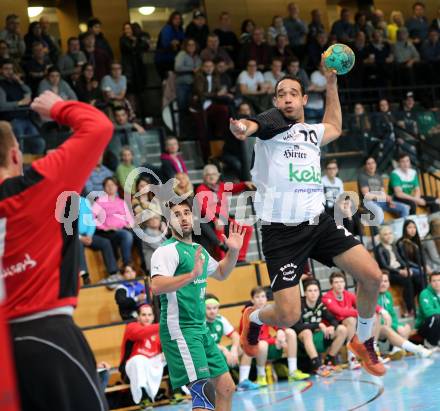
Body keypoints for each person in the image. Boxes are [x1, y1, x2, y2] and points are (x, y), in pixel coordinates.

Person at [229, 66, 386, 376]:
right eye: (281, 94)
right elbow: (252, 125)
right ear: (275, 101)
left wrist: (331, 82)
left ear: (303, 99)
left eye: (293, 94)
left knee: (371, 276)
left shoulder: (312, 133)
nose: (287, 99)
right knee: (287, 315)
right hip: (281, 233)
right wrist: (242, 128)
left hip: (319, 224)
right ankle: (254, 317)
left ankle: (363, 339)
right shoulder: (270, 128)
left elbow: (335, 126)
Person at [1, 90, 113, 410]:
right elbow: (98, 127)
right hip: (46, 336)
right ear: (14, 157)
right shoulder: (37, 186)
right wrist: (58, 108)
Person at [150, 199, 245, 410]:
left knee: (226, 388)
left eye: (186, 213)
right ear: (168, 222)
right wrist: (191, 274)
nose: (183, 218)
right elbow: (156, 286)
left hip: (200, 329)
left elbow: (221, 272)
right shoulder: (166, 251)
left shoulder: (198, 249)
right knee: (204, 393)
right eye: (177, 214)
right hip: (180, 330)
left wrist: (234, 251)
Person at [239, 287, 309, 387]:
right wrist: (274, 340)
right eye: (257, 297)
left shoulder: (267, 310)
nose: (261, 299)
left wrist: (281, 332)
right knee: (262, 344)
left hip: (268, 343)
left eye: (263, 296)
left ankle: (293, 371)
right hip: (254, 345)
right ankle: (261, 376)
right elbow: (255, 338)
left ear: (266, 299)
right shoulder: (248, 314)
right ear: (252, 300)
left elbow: (278, 325)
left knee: (290, 332)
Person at [196, 164, 254, 262]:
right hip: (210, 221)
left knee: (247, 228)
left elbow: (234, 187)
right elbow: (203, 208)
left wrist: (245, 184)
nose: (211, 176)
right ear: (204, 177)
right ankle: (223, 260)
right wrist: (214, 220)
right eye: (208, 175)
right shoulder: (201, 188)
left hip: (225, 219)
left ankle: (240, 258)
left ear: (218, 175)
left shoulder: (221, 186)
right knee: (220, 226)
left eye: (214, 174)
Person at [293, 279, 348, 375]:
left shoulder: (320, 305)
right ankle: (318, 366)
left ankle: (329, 361)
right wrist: (318, 325)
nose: (313, 293)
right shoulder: (299, 305)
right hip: (302, 340)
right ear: (305, 293)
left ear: (319, 292)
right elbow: (297, 326)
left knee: (342, 329)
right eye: (310, 291)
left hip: (317, 337)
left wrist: (332, 327)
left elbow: (333, 320)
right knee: (307, 332)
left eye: (315, 290)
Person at [119, 304, 164, 407]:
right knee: (139, 360)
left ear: (153, 317)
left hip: (151, 364)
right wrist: (163, 325)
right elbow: (141, 333)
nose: (147, 318)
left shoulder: (158, 332)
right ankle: (143, 398)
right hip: (130, 369)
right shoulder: (131, 327)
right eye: (144, 315)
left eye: (149, 315)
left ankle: (177, 392)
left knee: (172, 356)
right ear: (138, 317)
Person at [0, 59, 45, 154]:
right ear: (1, 71)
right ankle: (20, 167)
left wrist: (20, 82)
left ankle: (35, 166)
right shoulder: (1, 86)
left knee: (40, 143)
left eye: (11, 69)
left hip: (26, 118)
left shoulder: (16, 83)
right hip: (13, 120)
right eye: (6, 69)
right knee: (20, 147)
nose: (9, 72)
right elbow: (2, 106)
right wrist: (19, 103)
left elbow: (28, 92)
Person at [78, 193, 120, 284]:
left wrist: (89, 235)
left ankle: (113, 273)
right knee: (77, 245)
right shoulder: (63, 203)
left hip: (88, 235)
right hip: (74, 237)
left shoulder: (84, 201)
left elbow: (92, 220)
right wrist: (80, 237)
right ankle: (85, 276)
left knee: (105, 242)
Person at [93, 176, 134, 267]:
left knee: (137, 235)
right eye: (108, 185)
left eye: (113, 185)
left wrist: (129, 224)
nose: (110, 187)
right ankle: (127, 264)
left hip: (124, 229)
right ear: (104, 188)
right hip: (109, 232)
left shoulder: (121, 202)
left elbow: (130, 218)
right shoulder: (99, 202)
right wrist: (105, 228)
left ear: (116, 187)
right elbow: (93, 218)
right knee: (127, 235)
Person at [375, 225, 415, 316]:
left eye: (390, 233)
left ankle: (416, 304)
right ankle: (409, 309)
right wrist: (400, 272)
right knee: (407, 281)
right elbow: (384, 265)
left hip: (399, 269)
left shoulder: (392, 246)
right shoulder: (379, 249)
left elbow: (400, 259)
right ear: (381, 236)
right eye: (385, 234)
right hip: (389, 273)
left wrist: (406, 268)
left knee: (417, 277)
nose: (388, 236)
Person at [359, 156, 410, 223]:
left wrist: (388, 199)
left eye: (373, 163)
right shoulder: (362, 177)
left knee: (405, 208)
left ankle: (403, 229)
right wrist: (382, 197)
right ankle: (383, 232)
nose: (371, 165)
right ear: (365, 166)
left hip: (382, 201)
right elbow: (367, 195)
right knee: (379, 212)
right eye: (368, 163)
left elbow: (383, 192)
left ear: (375, 164)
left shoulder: (378, 176)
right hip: (369, 202)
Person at [396, 219, 429, 297]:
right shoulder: (401, 242)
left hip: (418, 268)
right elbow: (405, 260)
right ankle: (424, 298)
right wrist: (420, 267)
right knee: (422, 276)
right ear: (405, 229)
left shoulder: (416, 241)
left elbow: (422, 257)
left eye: (414, 227)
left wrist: (425, 266)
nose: (412, 230)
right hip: (408, 267)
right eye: (410, 227)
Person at [205, 297, 240, 368]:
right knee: (220, 355)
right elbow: (206, 343)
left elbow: (235, 335)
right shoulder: (200, 322)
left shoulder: (220, 319)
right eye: (208, 308)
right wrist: (224, 349)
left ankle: (243, 378)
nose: (212, 311)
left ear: (218, 309)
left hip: (219, 349)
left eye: (214, 308)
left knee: (242, 348)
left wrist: (234, 348)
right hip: (207, 351)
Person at [377, 271, 412, 339]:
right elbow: (377, 319)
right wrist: (396, 326)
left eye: (385, 281)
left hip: (389, 324)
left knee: (407, 327)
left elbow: (392, 314)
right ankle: (397, 347)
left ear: (389, 283)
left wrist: (397, 325)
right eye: (381, 281)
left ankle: (397, 348)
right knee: (396, 329)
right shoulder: (372, 297)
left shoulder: (388, 295)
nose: (383, 284)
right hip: (377, 327)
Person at [120, 22, 149, 95]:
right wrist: (134, 41)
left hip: (138, 66)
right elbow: (131, 48)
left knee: (141, 89)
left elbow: (145, 46)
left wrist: (137, 40)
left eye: (128, 28)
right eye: (125, 29)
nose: (127, 31)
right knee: (131, 91)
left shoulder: (137, 38)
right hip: (128, 67)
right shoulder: (123, 39)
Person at [154, 11, 185, 80]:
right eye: (175, 19)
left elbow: (183, 43)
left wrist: (177, 43)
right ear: (171, 20)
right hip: (164, 60)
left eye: (179, 19)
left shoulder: (180, 29)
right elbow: (166, 44)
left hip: (175, 59)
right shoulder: (167, 29)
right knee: (168, 82)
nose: (178, 20)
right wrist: (175, 44)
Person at [174, 38, 202, 112]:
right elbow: (177, 67)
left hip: (194, 84)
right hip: (182, 84)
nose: (191, 46)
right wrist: (192, 69)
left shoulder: (197, 56)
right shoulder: (182, 54)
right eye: (189, 45)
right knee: (182, 105)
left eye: (193, 45)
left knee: (192, 106)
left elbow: (200, 67)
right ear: (185, 46)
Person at [416, 272, 440, 347]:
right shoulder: (424, 293)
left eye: (439, 280)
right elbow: (428, 312)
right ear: (430, 282)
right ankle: (430, 342)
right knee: (436, 317)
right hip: (424, 326)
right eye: (434, 281)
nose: (437, 283)